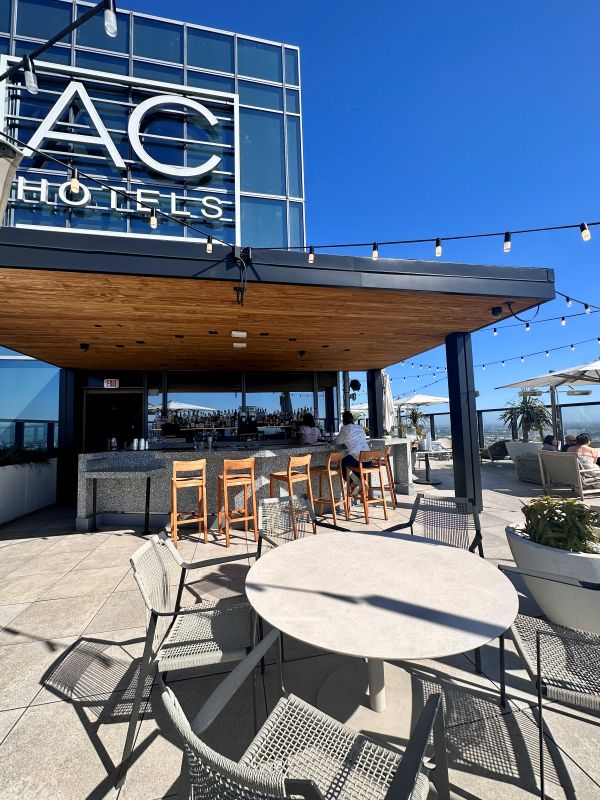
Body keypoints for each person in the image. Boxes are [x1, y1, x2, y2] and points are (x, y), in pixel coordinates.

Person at [334, 411, 371, 481]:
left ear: (343, 420)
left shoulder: (345, 428)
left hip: (358, 459)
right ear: (352, 419)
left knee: (342, 464)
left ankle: (352, 484)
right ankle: (362, 482)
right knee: (351, 463)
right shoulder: (360, 427)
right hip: (368, 460)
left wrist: (333, 439)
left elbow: (338, 441)